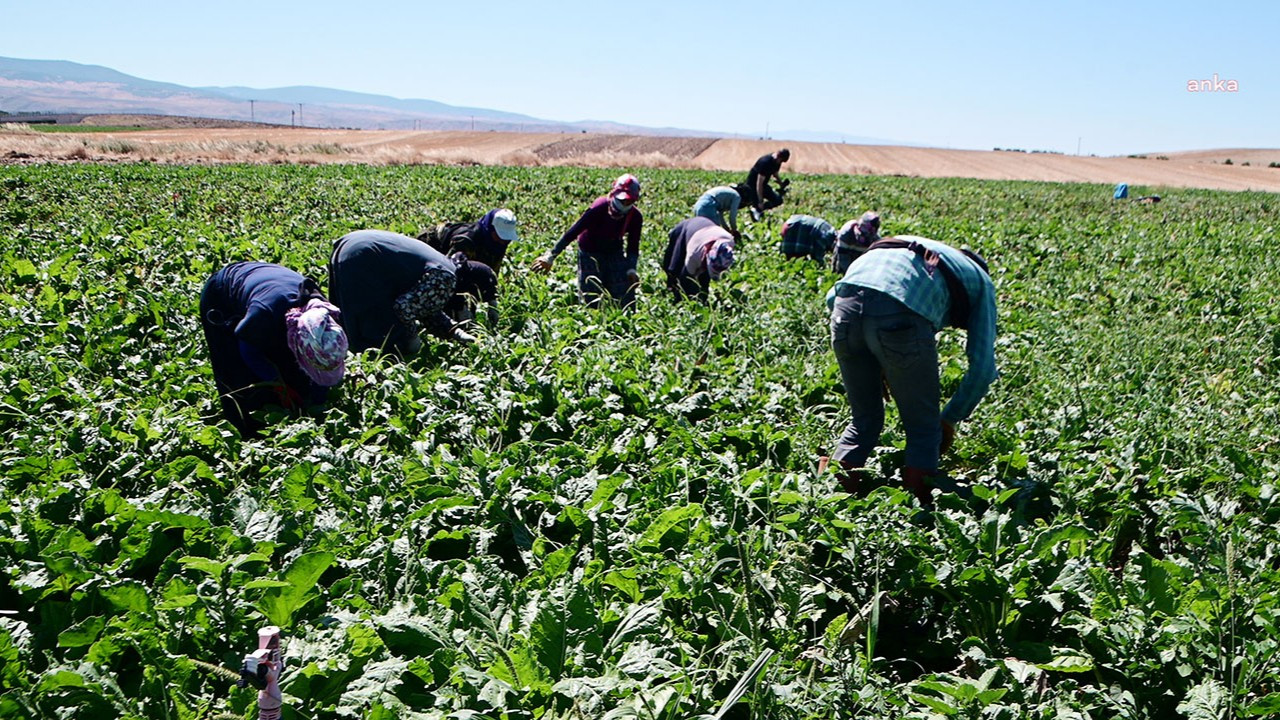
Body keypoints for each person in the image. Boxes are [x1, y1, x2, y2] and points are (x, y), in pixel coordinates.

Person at [825, 235, 997, 506]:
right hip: (900, 315)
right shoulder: (981, 281)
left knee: (864, 420)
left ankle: (828, 502)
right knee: (924, 430)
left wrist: (874, 356)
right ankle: (918, 517)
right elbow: (984, 369)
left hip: (844, 309)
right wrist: (948, 420)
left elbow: (831, 296)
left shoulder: (919, 252)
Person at [199, 261, 347, 435]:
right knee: (238, 376)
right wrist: (279, 386)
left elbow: (320, 367)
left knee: (291, 369)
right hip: (222, 293)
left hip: (271, 292)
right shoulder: (265, 313)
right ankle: (246, 431)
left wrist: (317, 401)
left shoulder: (326, 320)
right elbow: (249, 351)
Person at [328, 229, 483, 357]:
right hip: (363, 258)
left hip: (351, 244)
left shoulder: (445, 264)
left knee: (347, 314)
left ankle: (339, 354)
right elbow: (404, 307)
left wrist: (454, 331)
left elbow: (424, 305)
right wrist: (411, 337)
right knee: (379, 330)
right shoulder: (447, 278)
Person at [531, 174, 643, 309]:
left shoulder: (635, 217)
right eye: (622, 200)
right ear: (614, 194)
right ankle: (592, 319)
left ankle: (625, 324)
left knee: (625, 296)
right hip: (589, 251)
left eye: (629, 202)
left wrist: (631, 268)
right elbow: (574, 231)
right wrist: (551, 255)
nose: (625, 205)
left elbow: (633, 246)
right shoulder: (599, 207)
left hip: (614, 251)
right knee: (591, 296)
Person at [419, 208, 519, 273]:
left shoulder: (500, 242)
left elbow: (492, 271)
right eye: (499, 236)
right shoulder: (465, 241)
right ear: (489, 228)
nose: (502, 241)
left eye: (506, 238)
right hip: (431, 244)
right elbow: (448, 271)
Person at [662, 217, 736, 303]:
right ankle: (673, 293)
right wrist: (690, 297)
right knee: (674, 268)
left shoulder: (729, 241)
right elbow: (685, 278)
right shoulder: (694, 253)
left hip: (706, 229)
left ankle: (702, 297)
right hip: (685, 229)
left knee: (704, 276)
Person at [745, 148, 790, 220]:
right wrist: (760, 200)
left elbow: (775, 174)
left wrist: (781, 184)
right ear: (778, 156)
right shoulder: (765, 162)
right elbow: (759, 183)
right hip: (752, 186)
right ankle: (756, 208)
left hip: (763, 185)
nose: (781, 163)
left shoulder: (777, 162)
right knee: (759, 209)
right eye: (781, 161)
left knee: (778, 201)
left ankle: (758, 209)